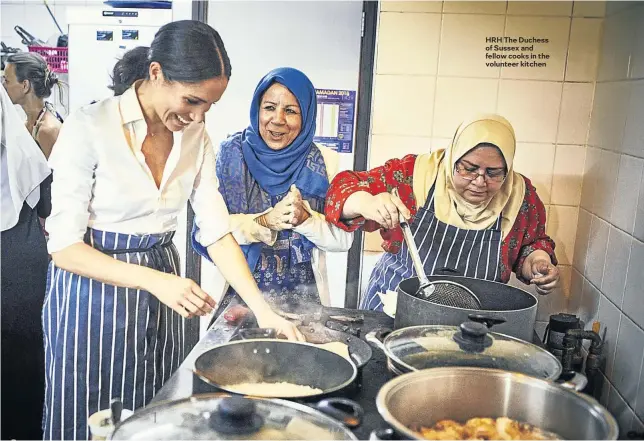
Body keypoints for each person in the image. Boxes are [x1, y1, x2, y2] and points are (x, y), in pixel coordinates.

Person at [42, 20, 302, 441]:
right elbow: (65, 247)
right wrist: (156, 282)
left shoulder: (195, 134)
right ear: (157, 73)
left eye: (209, 107)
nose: (198, 116)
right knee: (87, 414)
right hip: (92, 291)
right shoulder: (89, 127)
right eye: (192, 100)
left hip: (164, 279)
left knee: (158, 407)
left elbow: (216, 229)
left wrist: (263, 307)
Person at [324, 114, 560, 311]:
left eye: (494, 173)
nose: (479, 181)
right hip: (394, 307)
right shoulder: (412, 175)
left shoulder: (520, 196)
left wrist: (537, 262)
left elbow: (531, 243)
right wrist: (365, 202)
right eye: (468, 169)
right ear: (453, 158)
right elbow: (340, 189)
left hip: (470, 321)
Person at [191, 67, 352, 315]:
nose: (277, 119)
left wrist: (306, 220)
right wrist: (265, 221)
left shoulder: (324, 162)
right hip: (237, 297)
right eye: (269, 108)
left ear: (307, 116)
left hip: (303, 299)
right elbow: (208, 231)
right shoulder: (230, 154)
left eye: (290, 111)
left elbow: (343, 240)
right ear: (257, 109)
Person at [1, 86, 52, 440]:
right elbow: (45, 205)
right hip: (22, 257)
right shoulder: (24, 157)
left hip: (17, 267)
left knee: (21, 356)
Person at [3, 52, 64, 159]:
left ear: (25, 85)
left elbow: (60, 175)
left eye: (7, 81)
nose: (3, 86)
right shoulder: (28, 123)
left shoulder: (47, 131)